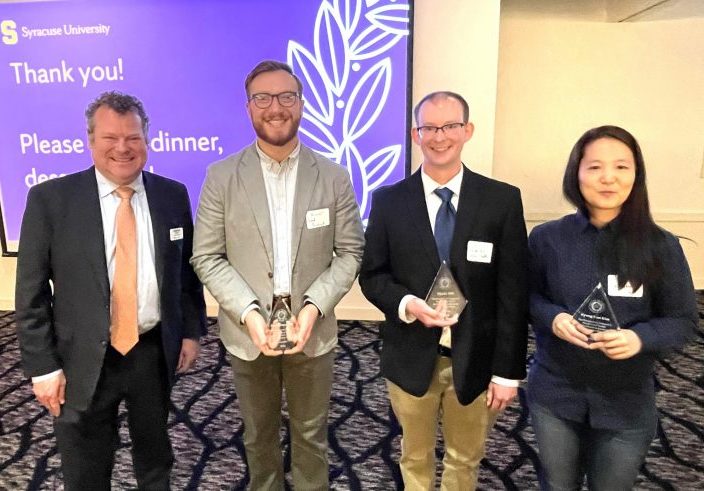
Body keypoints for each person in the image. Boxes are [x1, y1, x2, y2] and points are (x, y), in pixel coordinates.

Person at [15, 91, 207, 490]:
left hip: (152, 351)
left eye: (133, 137)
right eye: (110, 138)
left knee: (155, 457)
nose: (123, 148)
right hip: (79, 357)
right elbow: (30, 294)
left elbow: (185, 274)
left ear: (146, 140)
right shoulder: (51, 201)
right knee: (86, 467)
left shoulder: (173, 196)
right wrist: (43, 368)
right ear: (91, 141)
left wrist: (190, 330)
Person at [190, 60, 364, 490]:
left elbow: (349, 252)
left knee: (311, 436)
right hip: (248, 334)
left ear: (301, 104)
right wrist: (249, 313)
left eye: (287, 96)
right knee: (258, 436)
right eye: (263, 98)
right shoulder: (222, 177)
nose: (276, 107)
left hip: (314, 330)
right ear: (249, 107)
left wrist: (313, 308)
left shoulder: (335, 177)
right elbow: (207, 256)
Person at [359, 91, 529, 490]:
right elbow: (373, 276)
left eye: (450, 126)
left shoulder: (500, 201)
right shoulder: (389, 201)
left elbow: (513, 292)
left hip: (478, 358)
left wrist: (508, 371)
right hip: (410, 353)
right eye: (429, 128)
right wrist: (407, 303)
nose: (439, 137)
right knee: (414, 455)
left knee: (464, 457)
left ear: (467, 130)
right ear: (416, 135)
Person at [527, 125, 698, 490]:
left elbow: (682, 320)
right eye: (594, 167)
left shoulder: (661, 246)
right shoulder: (546, 239)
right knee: (557, 486)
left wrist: (639, 338)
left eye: (621, 167)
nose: (608, 178)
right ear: (577, 173)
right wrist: (552, 317)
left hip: (626, 403)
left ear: (636, 175)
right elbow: (527, 298)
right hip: (556, 394)